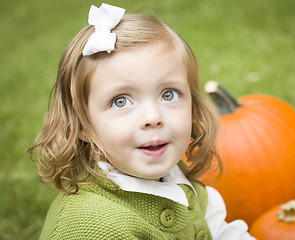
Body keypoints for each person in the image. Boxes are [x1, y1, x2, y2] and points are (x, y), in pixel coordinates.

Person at [29, 3, 255, 239]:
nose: (153, 118)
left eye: (169, 94)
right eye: (120, 101)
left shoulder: (179, 180)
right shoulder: (89, 226)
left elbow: (221, 232)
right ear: (82, 124)